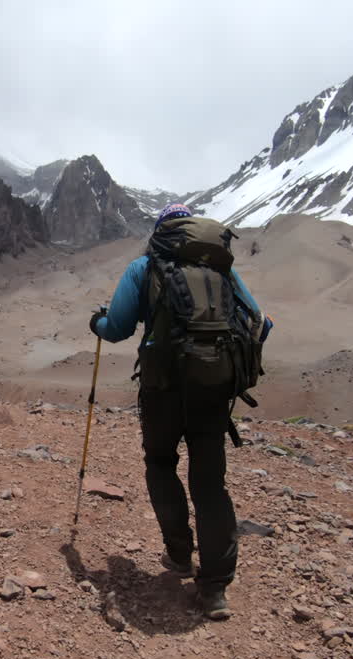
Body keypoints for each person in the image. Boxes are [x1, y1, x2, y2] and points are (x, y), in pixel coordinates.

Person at [88, 203, 267, 620]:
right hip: (212, 389)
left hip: (162, 388)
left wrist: (95, 322)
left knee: (161, 463)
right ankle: (215, 588)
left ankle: (179, 554)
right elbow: (259, 319)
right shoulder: (222, 272)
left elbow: (116, 328)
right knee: (210, 484)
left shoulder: (144, 267)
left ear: (159, 232)